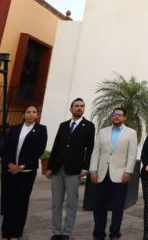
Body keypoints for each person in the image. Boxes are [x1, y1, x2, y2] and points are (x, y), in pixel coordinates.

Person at [45, 97, 96, 240]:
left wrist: (86, 168)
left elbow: (90, 149)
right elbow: (56, 146)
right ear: (71, 109)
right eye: (76, 106)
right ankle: (56, 231)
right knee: (56, 202)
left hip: (74, 170)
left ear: (84, 109)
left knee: (72, 202)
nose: (79, 108)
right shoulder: (63, 125)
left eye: (82, 106)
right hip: (57, 169)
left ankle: (66, 232)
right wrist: (49, 167)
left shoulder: (89, 126)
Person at [89, 107, 138, 240]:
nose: (116, 116)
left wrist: (128, 171)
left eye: (120, 115)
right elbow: (96, 152)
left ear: (124, 118)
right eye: (114, 114)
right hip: (102, 175)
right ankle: (98, 234)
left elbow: (132, 154)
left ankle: (115, 234)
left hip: (120, 175)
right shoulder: (102, 132)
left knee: (117, 208)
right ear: (111, 116)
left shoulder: (131, 133)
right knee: (99, 207)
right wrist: (93, 170)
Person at [0, 104, 48, 240]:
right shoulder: (14, 129)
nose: (31, 114)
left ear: (37, 115)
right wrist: (10, 164)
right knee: (8, 201)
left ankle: (16, 233)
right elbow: (5, 148)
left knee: (21, 202)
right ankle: (5, 233)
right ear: (23, 115)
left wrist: (22, 166)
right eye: (28, 112)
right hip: (10, 170)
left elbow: (39, 150)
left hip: (26, 171)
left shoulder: (41, 130)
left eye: (34, 112)